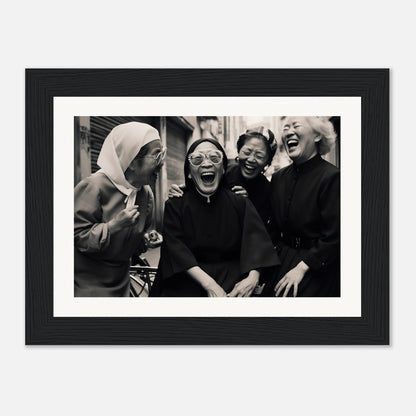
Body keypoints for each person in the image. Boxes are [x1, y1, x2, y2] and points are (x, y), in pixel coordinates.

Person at [150, 138, 279, 297]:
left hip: (233, 282)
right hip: (188, 280)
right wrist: (209, 284)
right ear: (189, 172)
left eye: (214, 158)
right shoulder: (175, 205)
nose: (206, 164)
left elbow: (258, 244)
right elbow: (176, 250)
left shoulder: (240, 202)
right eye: (197, 159)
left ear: (223, 168)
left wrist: (253, 278)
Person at [74, 122, 165, 297]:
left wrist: (146, 240)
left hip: (122, 282)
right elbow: (76, 237)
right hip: (85, 283)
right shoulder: (93, 186)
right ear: (131, 160)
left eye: (163, 153)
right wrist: (114, 226)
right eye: (156, 155)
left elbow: (133, 246)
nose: (162, 163)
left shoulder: (146, 193)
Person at [267, 116, 340, 297]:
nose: (289, 131)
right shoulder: (278, 178)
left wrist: (302, 268)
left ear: (316, 136)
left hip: (316, 264)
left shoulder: (332, 177)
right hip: (282, 258)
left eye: (296, 126)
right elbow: (271, 229)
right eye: (285, 128)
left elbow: (334, 236)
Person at [168, 126, 277, 228]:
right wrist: (183, 190)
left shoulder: (268, 190)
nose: (251, 160)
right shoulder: (223, 172)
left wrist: (247, 205)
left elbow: (261, 230)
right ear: (239, 151)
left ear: (268, 161)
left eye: (259, 156)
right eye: (246, 152)